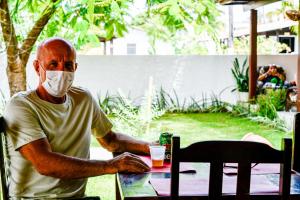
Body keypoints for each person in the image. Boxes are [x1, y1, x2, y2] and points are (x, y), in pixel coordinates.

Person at [3, 38, 151, 199]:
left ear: (75, 68)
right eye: (53, 64)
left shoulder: (83, 98)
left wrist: (154, 148)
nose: (61, 72)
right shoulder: (21, 106)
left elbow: (111, 141)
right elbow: (45, 163)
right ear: (38, 67)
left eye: (68, 65)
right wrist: (110, 166)